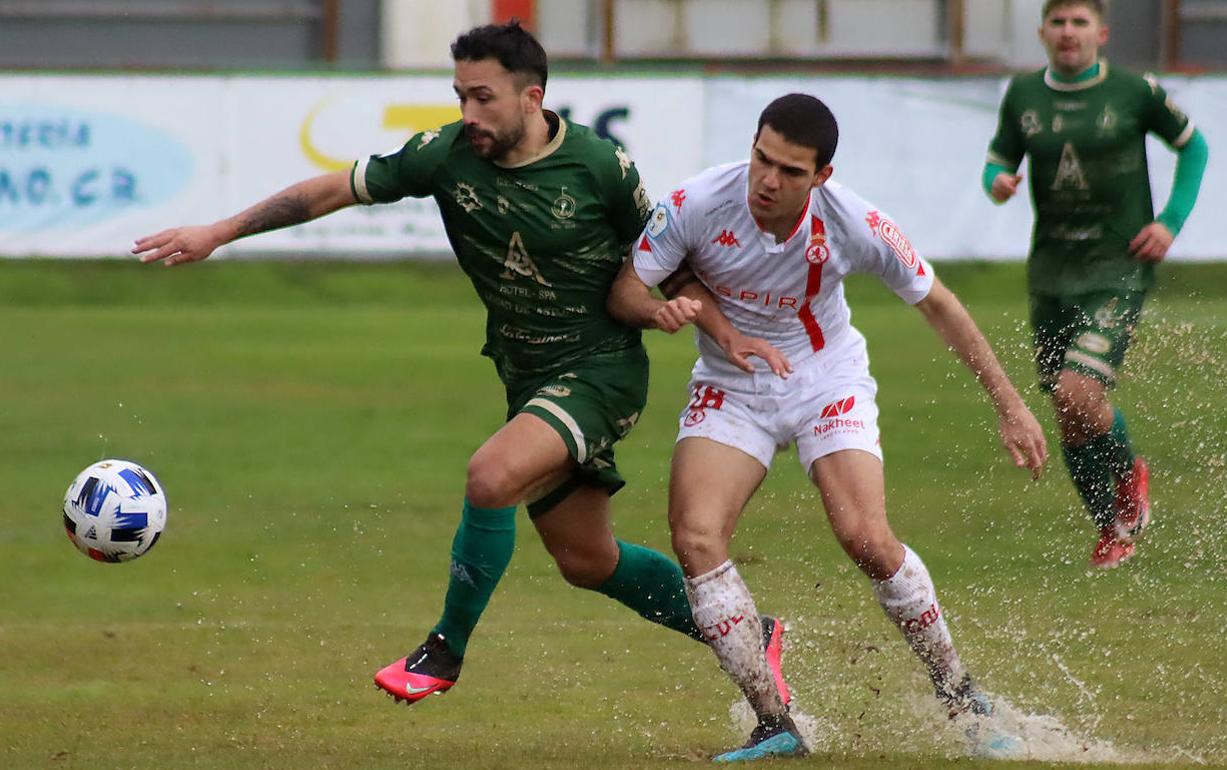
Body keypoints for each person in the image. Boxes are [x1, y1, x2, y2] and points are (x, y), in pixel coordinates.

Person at [132, 22, 792, 707]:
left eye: (483, 98)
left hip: (601, 371)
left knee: (490, 475)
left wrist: (718, 329)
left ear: (531, 98)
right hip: (527, 379)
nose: (469, 114)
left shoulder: (601, 167)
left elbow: (673, 262)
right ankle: (752, 632)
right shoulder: (446, 156)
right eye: (460, 97)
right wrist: (219, 231)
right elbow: (334, 189)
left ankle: (444, 650)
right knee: (587, 561)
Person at [608, 93, 1048, 762]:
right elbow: (626, 289)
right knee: (696, 538)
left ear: (822, 177)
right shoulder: (698, 201)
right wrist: (674, 313)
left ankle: (959, 692)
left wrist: (1011, 406)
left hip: (825, 381)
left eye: (789, 170)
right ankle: (774, 722)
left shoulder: (855, 222)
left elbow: (941, 305)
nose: (766, 180)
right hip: (733, 385)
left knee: (865, 537)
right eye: (761, 158)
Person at [984, 0, 1208, 569]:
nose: (1068, 33)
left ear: (1101, 34)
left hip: (1118, 266)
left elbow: (1194, 147)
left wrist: (1170, 222)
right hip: (1052, 273)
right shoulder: (1024, 95)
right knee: (1070, 412)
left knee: (1074, 392)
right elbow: (996, 162)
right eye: (1058, 22)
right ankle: (1112, 527)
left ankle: (1131, 478)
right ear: (1042, 33)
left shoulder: (1135, 92)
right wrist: (999, 182)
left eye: (1079, 22)